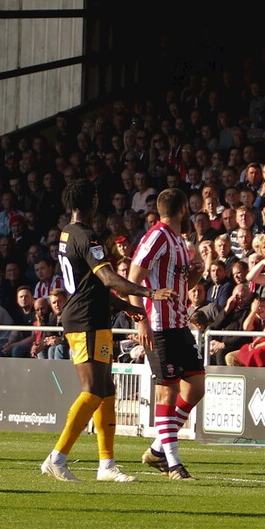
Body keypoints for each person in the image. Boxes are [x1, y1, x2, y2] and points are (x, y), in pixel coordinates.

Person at [41, 179, 176, 483]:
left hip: (92, 316)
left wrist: (122, 305)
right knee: (92, 390)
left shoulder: (67, 233)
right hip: (86, 320)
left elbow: (90, 284)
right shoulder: (88, 237)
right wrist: (149, 293)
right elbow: (108, 279)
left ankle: (107, 465)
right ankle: (57, 457)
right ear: (92, 200)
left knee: (106, 391)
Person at [128, 188, 205, 481]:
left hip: (179, 323)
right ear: (183, 209)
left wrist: (196, 273)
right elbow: (132, 280)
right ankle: (173, 464)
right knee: (167, 391)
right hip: (158, 325)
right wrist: (141, 321)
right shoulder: (157, 237)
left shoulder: (179, 241)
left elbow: (183, 283)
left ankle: (158, 448)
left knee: (196, 386)